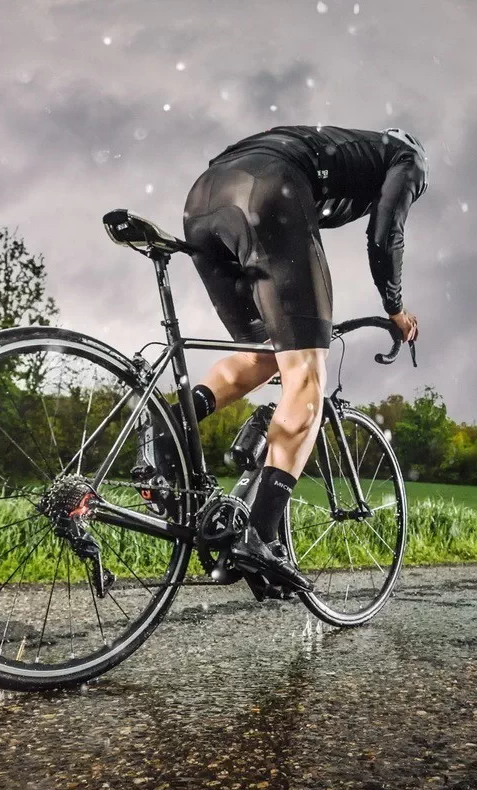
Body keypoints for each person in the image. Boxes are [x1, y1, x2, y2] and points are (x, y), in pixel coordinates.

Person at [180, 125, 428, 592]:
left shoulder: (336, 148)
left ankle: (166, 435)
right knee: (306, 374)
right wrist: (394, 307)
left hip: (203, 201)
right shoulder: (408, 158)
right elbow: (385, 231)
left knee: (264, 356)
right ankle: (260, 538)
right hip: (268, 188)